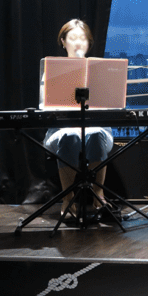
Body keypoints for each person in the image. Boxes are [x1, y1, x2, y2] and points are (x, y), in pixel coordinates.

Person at [44, 18, 113, 222]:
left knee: (98, 134)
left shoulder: (100, 70)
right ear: (63, 42)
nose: (78, 43)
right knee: (69, 136)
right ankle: (68, 199)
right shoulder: (51, 69)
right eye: (72, 38)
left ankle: (99, 197)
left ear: (89, 43)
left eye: (83, 38)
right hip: (61, 130)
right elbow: (46, 105)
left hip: (95, 128)